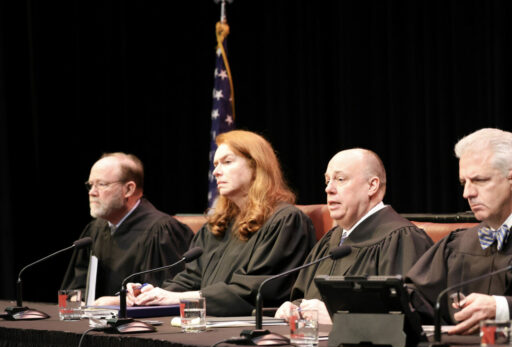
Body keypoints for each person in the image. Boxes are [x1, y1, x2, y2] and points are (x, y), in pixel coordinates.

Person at [406, 128, 512, 334]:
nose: (467, 193)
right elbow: (418, 297)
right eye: (464, 182)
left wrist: (501, 308)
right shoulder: (459, 243)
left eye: (480, 180)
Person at [129, 130, 316, 316]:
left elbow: (255, 291)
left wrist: (180, 298)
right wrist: (150, 294)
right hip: (205, 323)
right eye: (215, 164)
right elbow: (191, 279)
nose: (216, 172)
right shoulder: (217, 226)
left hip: (251, 329)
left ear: (256, 166)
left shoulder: (285, 221)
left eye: (227, 162)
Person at [275, 148, 434, 323]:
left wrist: (341, 318)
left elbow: (412, 317)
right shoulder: (330, 241)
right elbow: (304, 296)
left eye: (340, 179)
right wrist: (294, 309)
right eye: (327, 181)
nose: (329, 189)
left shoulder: (402, 239)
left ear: (372, 186)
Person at [61, 153, 194, 305]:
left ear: (129, 189)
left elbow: (167, 294)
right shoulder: (94, 230)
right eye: (90, 185)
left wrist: (117, 302)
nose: (92, 192)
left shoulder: (162, 231)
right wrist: (81, 301)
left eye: (101, 184)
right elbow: (76, 289)